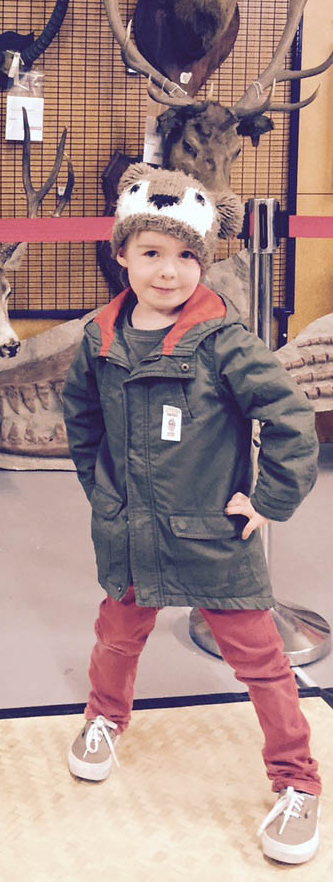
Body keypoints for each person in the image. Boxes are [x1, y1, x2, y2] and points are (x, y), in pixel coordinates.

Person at [62, 163, 321, 865]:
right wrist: (104, 492)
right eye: (150, 252)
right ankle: (103, 719)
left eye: (184, 256)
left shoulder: (226, 342)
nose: (168, 272)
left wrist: (268, 501)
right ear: (120, 254)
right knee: (116, 637)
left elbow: (292, 419)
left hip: (214, 535)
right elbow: (80, 419)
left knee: (262, 662)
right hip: (130, 533)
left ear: (203, 262)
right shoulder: (98, 339)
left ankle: (298, 782)